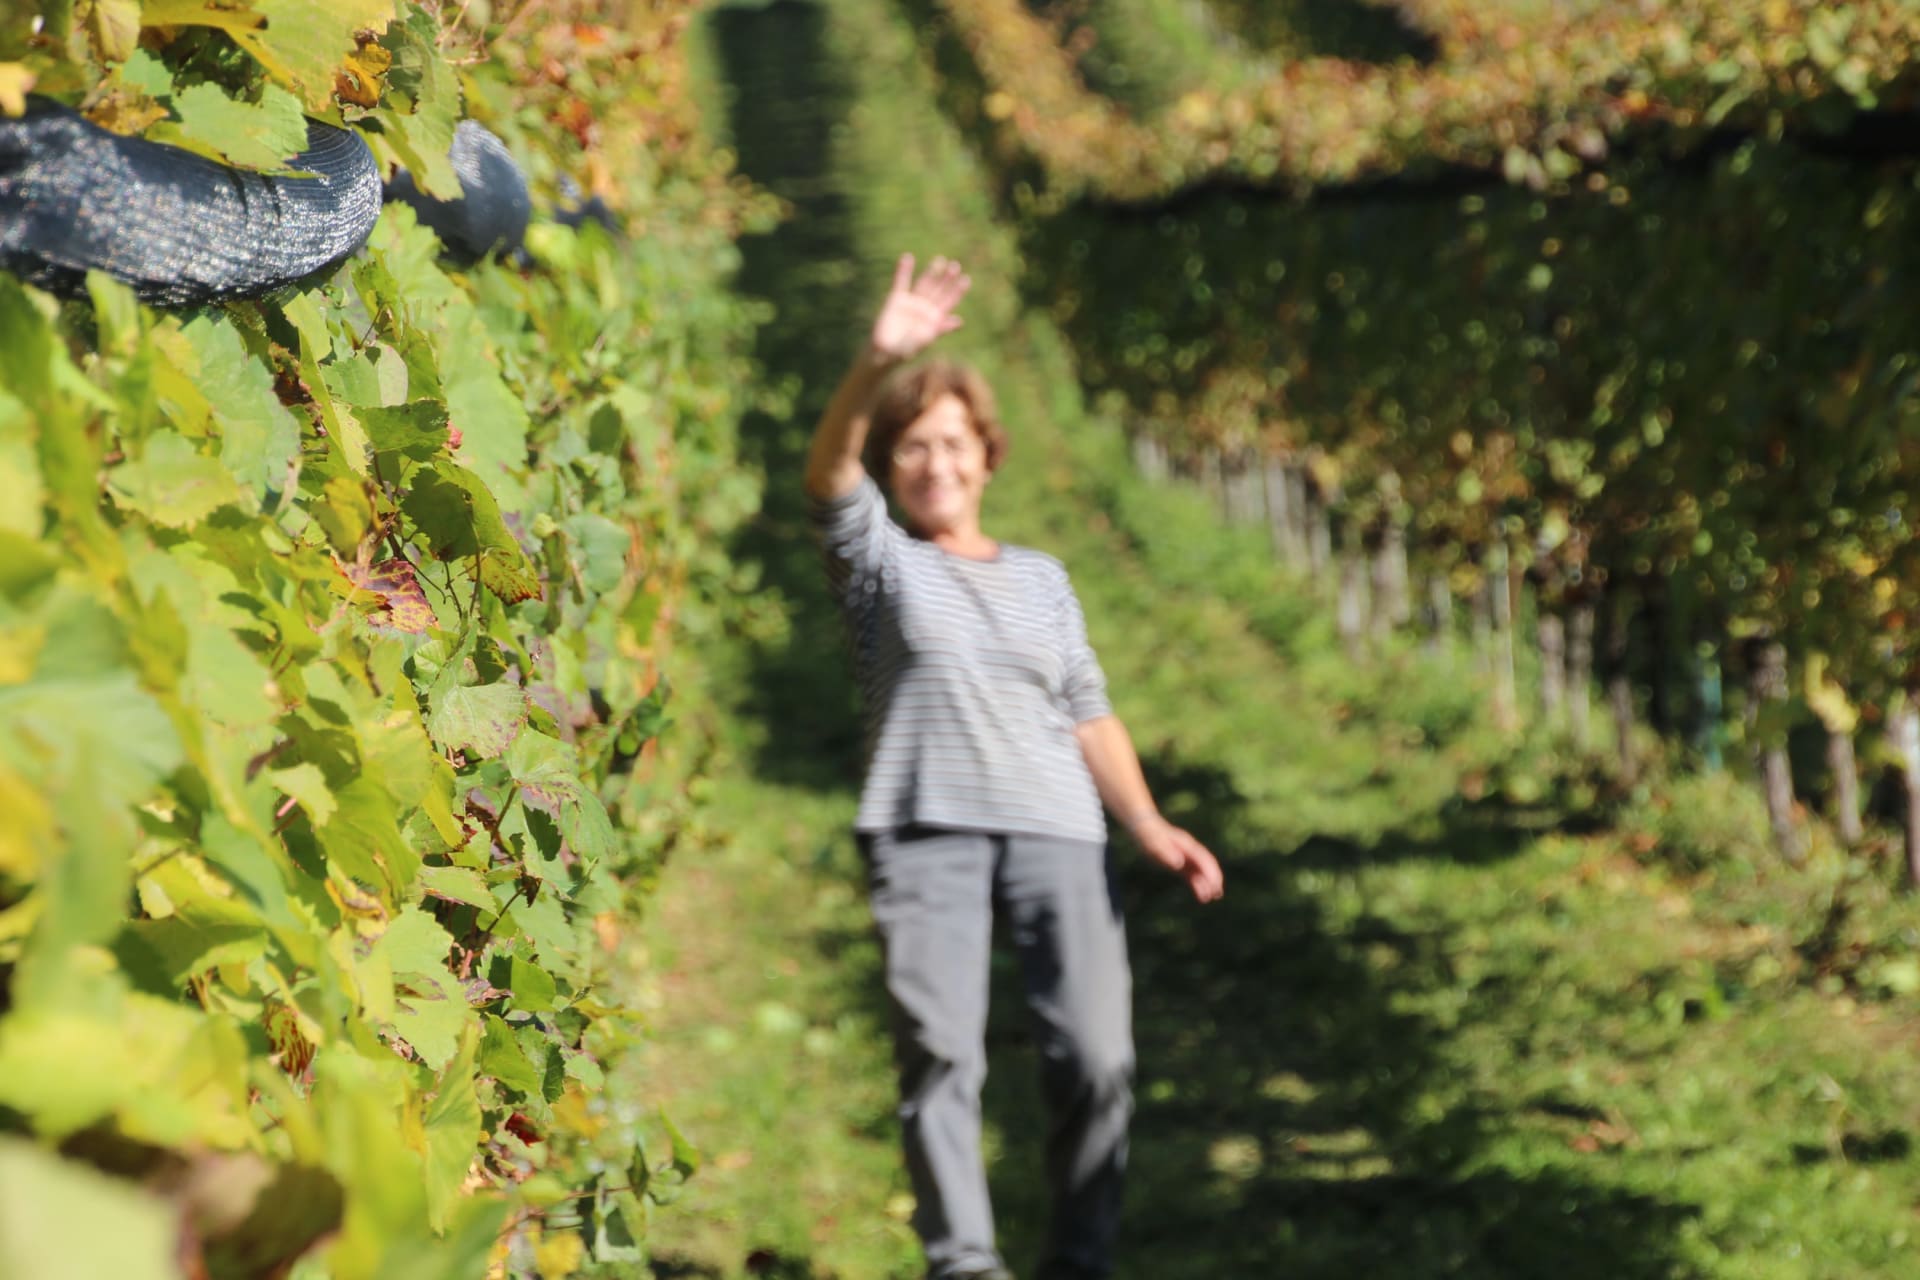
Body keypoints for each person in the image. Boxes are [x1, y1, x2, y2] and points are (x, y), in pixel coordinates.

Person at [803, 254, 1225, 1280]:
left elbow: (1086, 707)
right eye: (913, 445)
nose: (935, 462)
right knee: (942, 1053)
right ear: (892, 464)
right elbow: (827, 474)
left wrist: (1149, 823)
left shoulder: (1044, 579)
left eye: (953, 442)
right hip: (925, 827)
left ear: (988, 456)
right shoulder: (880, 565)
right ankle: (965, 1264)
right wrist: (876, 362)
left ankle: (1079, 1261)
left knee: (1098, 1057)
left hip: (1058, 829)